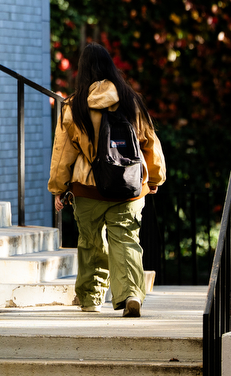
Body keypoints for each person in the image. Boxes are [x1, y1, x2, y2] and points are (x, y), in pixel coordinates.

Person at [48, 43, 166, 316]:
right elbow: (150, 143)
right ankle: (131, 295)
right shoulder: (131, 101)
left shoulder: (73, 105)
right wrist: (155, 177)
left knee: (91, 243)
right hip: (129, 185)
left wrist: (59, 188)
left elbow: (63, 152)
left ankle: (90, 300)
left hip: (88, 188)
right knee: (126, 240)